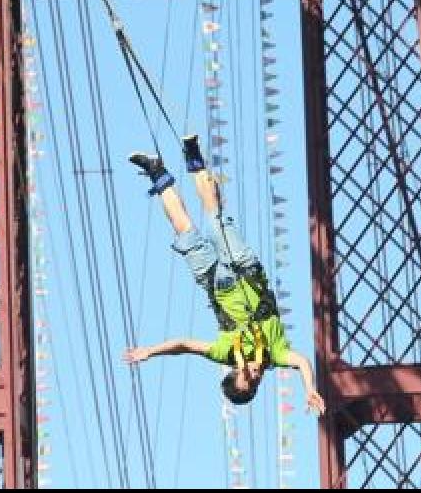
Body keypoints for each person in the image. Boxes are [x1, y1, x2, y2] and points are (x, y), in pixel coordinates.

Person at [121, 134, 325, 414]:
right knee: (215, 218)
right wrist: (309, 388)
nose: (253, 377)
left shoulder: (224, 352)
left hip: (215, 282)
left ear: (233, 371)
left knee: (184, 230)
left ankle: (157, 171)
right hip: (245, 271)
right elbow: (302, 361)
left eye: (245, 379)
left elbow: (184, 345)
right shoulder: (276, 355)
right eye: (254, 384)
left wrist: (150, 352)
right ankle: (195, 160)